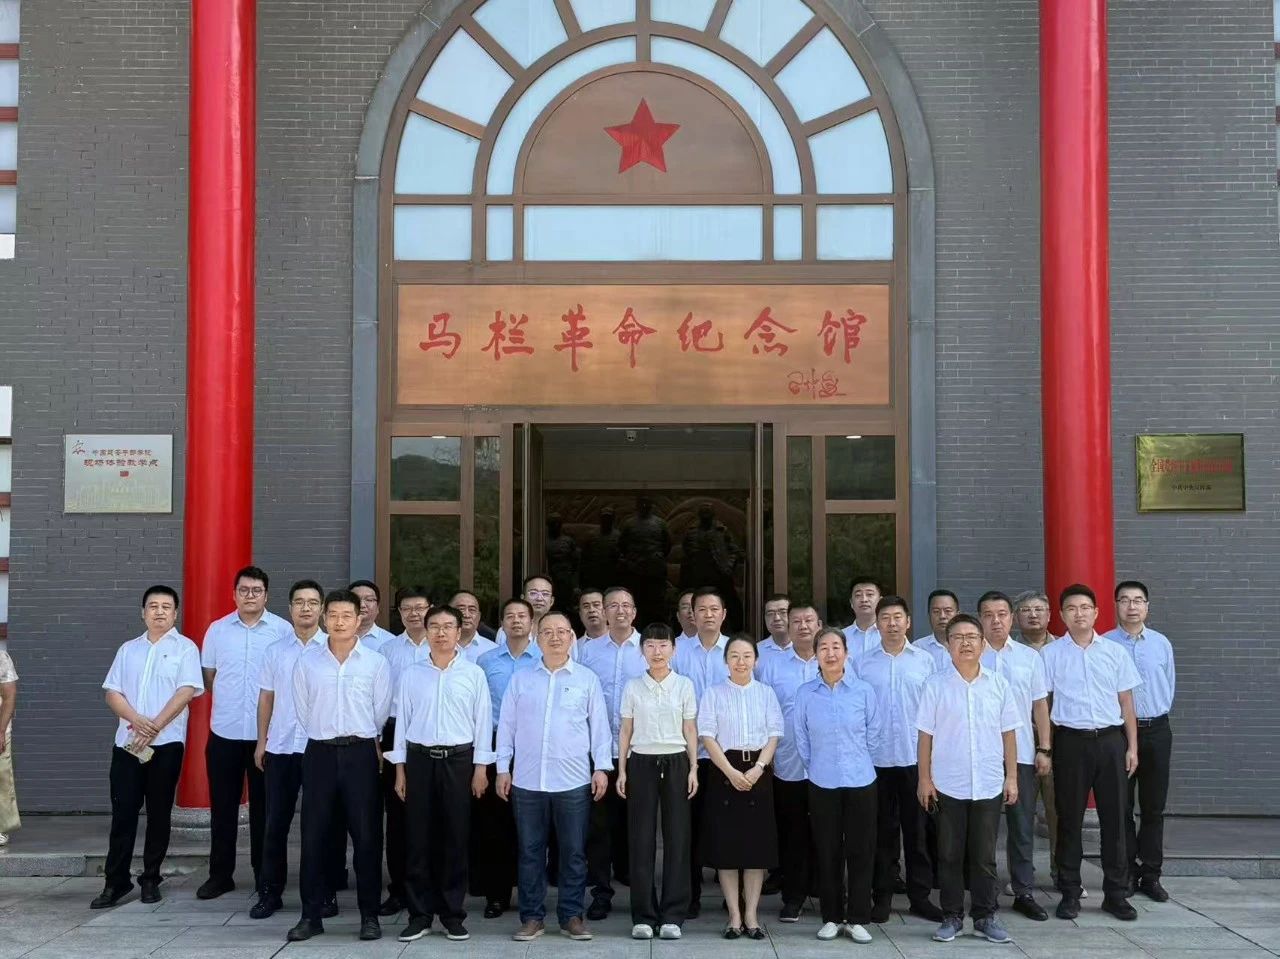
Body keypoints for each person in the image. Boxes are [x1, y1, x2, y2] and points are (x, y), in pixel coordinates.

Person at [497, 612, 612, 943]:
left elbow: (599, 728)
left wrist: (601, 767)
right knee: (530, 852)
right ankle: (532, 917)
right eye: (548, 632)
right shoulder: (521, 679)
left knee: (573, 852)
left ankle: (571, 916)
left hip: (573, 780)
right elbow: (507, 726)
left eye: (562, 632)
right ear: (537, 638)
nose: (556, 637)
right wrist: (503, 767)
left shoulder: (586, 679)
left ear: (572, 638)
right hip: (527, 780)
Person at [286, 589, 393, 943]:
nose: (340, 621)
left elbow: (379, 713)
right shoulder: (308, 662)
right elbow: (303, 710)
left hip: (360, 754)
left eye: (347, 615)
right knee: (314, 836)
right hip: (319, 753)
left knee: (367, 837)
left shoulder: (375, 663)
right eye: (333, 615)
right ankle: (311, 915)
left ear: (359, 618)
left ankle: (369, 916)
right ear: (324, 618)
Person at [91, 585, 203, 908]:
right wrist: (137, 720)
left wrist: (154, 725)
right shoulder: (128, 649)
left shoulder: (185, 649)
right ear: (143, 613)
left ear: (175, 613)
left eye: (166, 606)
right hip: (127, 745)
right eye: (153, 606)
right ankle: (115, 882)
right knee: (123, 813)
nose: (159, 612)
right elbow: (112, 692)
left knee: (158, 813)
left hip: (166, 745)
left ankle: (151, 878)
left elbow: (186, 691)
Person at [389, 605, 494, 943]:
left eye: (448, 626)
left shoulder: (473, 674)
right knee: (417, 839)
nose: (441, 632)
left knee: (455, 838)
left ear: (459, 631)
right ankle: (419, 914)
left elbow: (483, 722)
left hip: (459, 761)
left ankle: (451, 914)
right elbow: (402, 724)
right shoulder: (412, 674)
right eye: (434, 626)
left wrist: (481, 768)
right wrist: (400, 770)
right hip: (419, 761)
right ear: (427, 630)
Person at [916, 613, 1021, 944]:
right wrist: (924, 779)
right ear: (948, 645)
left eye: (971, 637)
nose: (965, 643)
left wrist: (1012, 777)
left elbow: (1009, 734)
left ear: (983, 643)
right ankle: (951, 917)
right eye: (958, 637)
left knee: (984, 856)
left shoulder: (998, 684)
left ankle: (985, 916)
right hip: (948, 783)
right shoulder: (935, 685)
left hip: (988, 782)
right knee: (949, 854)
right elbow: (925, 736)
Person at [1041, 584, 1142, 922]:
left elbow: (1126, 702)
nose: (1079, 613)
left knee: (1115, 819)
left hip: (1111, 741)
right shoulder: (1051, 654)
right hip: (1070, 742)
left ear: (1097, 612)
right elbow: (1044, 704)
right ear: (1062, 614)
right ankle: (1070, 892)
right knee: (1069, 819)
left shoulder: (1115, 652)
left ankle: (1116, 894)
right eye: (1071, 608)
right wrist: (1046, 748)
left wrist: (1132, 747)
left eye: (1085, 607)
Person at [198, 565, 292, 900]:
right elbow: (209, 677)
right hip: (224, 732)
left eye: (256, 590)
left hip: (267, 736)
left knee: (265, 810)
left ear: (266, 595)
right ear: (234, 594)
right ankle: (220, 875)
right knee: (223, 808)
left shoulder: (282, 630)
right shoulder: (217, 630)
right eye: (244, 590)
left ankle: (264, 874)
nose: (250, 596)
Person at [251, 580, 341, 920]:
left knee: (322, 825)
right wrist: (262, 741)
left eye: (312, 602)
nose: (306, 608)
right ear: (289, 609)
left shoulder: (333, 649)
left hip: (320, 748)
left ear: (322, 609)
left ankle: (324, 893)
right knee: (275, 823)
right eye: (299, 602)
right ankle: (269, 893)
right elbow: (266, 698)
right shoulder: (275, 651)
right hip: (281, 747)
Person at [793, 626, 881, 944]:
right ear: (816, 655)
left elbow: (874, 732)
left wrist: (859, 760)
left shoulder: (863, 691)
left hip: (861, 781)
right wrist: (816, 765)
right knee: (827, 850)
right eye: (824, 648)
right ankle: (831, 917)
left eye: (836, 647)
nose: (830, 653)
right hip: (822, 781)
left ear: (846, 652)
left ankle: (857, 918)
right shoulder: (806, 693)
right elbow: (801, 738)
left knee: (861, 850)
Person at [857, 596, 942, 923]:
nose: (892, 623)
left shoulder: (925, 661)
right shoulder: (862, 664)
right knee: (881, 834)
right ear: (877, 624)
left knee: (917, 833)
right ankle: (882, 897)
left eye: (897, 617)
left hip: (914, 760)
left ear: (908, 622)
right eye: (885, 618)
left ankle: (920, 897)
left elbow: (935, 712)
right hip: (875, 761)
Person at [697, 635, 783, 941]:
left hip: (759, 771)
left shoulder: (766, 693)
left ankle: (752, 916)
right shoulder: (713, 693)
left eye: (747, 655)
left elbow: (774, 734)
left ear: (756, 660)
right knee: (728, 849)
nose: (741, 661)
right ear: (726, 661)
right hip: (724, 771)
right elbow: (707, 736)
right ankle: (734, 915)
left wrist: (759, 768)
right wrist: (731, 771)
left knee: (755, 849)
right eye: (734, 655)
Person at [616, 623, 699, 940]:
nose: (657, 652)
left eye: (663, 645)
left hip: (676, 761)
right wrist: (622, 770)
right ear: (642, 650)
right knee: (641, 839)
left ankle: (673, 915)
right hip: (641, 762)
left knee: (678, 837)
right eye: (650, 645)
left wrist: (693, 768)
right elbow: (626, 730)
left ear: (673, 650)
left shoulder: (684, 685)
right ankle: (643, 915)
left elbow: (690, 729)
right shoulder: (633, 686)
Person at [977, 590, 1052, 921]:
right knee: (984, 830)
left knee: (1022, 827)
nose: (996, 621)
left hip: (1020, 754)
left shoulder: (1029, 658)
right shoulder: (970, 655)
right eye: (988, 615)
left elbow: (1040, 707)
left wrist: (1044, 748)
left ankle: (1024, 891)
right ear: (980, 619)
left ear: (1012, 618)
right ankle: (985, 892)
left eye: (1002, 614)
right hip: (980, 756)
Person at [1104, 580, 1175, 903]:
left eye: (1138, 600)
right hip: (1119, 734)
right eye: (1124, 600)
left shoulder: (1161, 643)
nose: (1131, 606)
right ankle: (1127, 872)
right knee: (1121, 807)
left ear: (1147, 606)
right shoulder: (1106, 644)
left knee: (1153, 807)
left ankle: (1151, 874)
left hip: (1157, 730)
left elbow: (1168, 684)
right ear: (1115, 605)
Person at [579, 587, 645, 920]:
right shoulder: (587, 651)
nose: (620, 611)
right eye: (613, 605)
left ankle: (641, 895)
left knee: (639, 825)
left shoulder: (648, 648)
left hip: (640, 750)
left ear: (634, 611)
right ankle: (601, 893)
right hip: (600, 751)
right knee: (599, 827)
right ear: (604, 612)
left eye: (626, 605)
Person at [473, 599, 541, 918]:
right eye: (509, 616)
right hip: (495, 742)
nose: (516, 621)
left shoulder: (544, 658)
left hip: (533, 746)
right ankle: (496, 895)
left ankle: (529, 893)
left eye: (522, 616)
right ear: (501, 623)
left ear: (532, 622)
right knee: (495, 823)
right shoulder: (486, 660)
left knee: (531, 825)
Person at [755, 602, 822, 922]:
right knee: (792, 833)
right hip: (788, 762)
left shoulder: (835, 661)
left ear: (819, 625)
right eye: (797, 621)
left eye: (809, 620)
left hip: (828, 765)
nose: (803, 626)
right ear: (789, 627)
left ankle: (827, 893)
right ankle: (793, 897)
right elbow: (763, 714)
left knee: (828, 832)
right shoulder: (773, 667)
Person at [671, 586, 730, 917]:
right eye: (701, 609)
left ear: (724, 614)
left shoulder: (736, 650)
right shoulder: (678, 652)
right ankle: (689, 895)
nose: (708, 615)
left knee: (726, 826)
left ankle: (731, 896)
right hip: (688, 753)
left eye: (714, 609)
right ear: (692, 614)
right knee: (687, 829)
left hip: (727, 754)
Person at [376, 586, 432, 916]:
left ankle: (429, 887)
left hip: (432, 734)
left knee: (431, 815)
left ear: (430, 608)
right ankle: (398, 889)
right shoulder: (387, 650)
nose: (414, 614)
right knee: (397, 816)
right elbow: (380, 700)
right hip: (394, 732)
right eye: (407, 608)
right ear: (399, 613)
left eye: (420, 607)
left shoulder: (443, 646)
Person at [1011, 588, 1058, 884]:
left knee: (1058, 811)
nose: (1033, 615)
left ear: (1050, 615)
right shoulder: (1009, 652)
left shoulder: (1063, 649)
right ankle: (1021, 876)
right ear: (1016, 617)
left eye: (1038, 609)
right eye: (1026, 610)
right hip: (1019, 741)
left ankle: (1061, 872)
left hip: (1057, 742)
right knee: (1020, 814)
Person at [618, 496, 671, 629]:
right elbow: (622, 545)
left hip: (655, 571)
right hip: (635, 571)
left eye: (647, 504)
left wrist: (655, 558)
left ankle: (659, 629)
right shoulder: (629, 524)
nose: (644, 506)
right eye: (642, 504)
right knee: (636, 602)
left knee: (657, 603)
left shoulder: (660, 524)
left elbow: (667, 545)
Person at [914, 589, 958, 670]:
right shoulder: (917, 648)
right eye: (936, 611)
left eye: (948, 611)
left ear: (957, 615)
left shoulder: (968, 646)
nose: (942, 616)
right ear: (929, 615)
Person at [0, 643, 17, 847]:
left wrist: (1, 730)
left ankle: (1, 827)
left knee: (1, 778)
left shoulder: (1, 658)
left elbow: (9, 695)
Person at [451, 589, 497, 663]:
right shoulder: (434, 648)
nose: (466, 615)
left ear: (479, 616)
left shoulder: (493, 650)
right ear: (448, 613)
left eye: (472, 610)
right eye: (461, 609)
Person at [350, 580, 397, 653]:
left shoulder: (391, 641)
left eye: (369, 600)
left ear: (377, 607)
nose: (362, 605)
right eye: (355, 599)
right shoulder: (334, 638)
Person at [842, 576, 882, 656]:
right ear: (851, 603)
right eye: (858, 595)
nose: (864, 600)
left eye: (869, 594)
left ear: (880, 601)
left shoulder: (889, 634)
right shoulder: (841, 637)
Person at [757, 593, 792, 658]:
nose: (777, 618)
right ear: (765, 618)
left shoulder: (808, 648)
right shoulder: (756, 651)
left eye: (783, 612)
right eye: (770, 613)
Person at [576, 588, 608, 658]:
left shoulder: (622, 639)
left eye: (596, 605)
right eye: (586, 606)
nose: (591, 610)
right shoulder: (575, 648)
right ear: (580, 614)